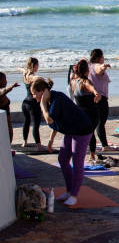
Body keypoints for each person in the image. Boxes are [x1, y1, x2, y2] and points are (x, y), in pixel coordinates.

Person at [32, 78, 94, 207]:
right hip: (70, 130)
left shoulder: (56, 99)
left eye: (34, 93)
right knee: (63, 159)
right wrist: (50, 141)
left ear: (43, 91)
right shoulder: (50, 99)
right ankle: (69, 190)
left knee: (77, 162)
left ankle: (74, 195)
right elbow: (56, 123)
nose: (33, 96)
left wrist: (42, 103)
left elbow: (49, 119)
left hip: (82, 130)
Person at [71, 59, 102, 163]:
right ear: (86, 71)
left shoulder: (73, 82)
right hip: (91, 113)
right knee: (90, 134)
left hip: (80, 113)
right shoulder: (85, 82)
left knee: (85, 134)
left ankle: (87, 155)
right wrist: (97, 95)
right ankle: (91, 156)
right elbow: (93, 89)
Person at [19, 58, 46, 151]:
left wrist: (20, 68)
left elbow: (22, 69)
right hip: (33, 104)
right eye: (38, 65)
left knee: (26, 122)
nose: (38, 66)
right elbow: (35, 78)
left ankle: (24, 142)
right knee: (35, 125)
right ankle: (39, 146)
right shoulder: (31, 76)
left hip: (25, 103)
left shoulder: (25, 73)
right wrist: (41, 78)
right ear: (34, 65)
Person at [88, 49, 111, 152]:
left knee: (96, 123)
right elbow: (99, 69)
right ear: (99, 58)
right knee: (100, 123)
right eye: (103, 56)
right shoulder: (96, 66)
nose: (104, 58)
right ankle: (105, 146)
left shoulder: (88, 66)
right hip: (100, 99)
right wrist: (104, 66)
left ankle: (91, 143)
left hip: (92, 97)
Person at [0, 72, 18, 143]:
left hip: (6, 117)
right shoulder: (1, 93)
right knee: (9, 132)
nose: (6, 81)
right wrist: (11, 87)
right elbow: (2, 93)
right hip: (5, 118)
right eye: (4, 79)